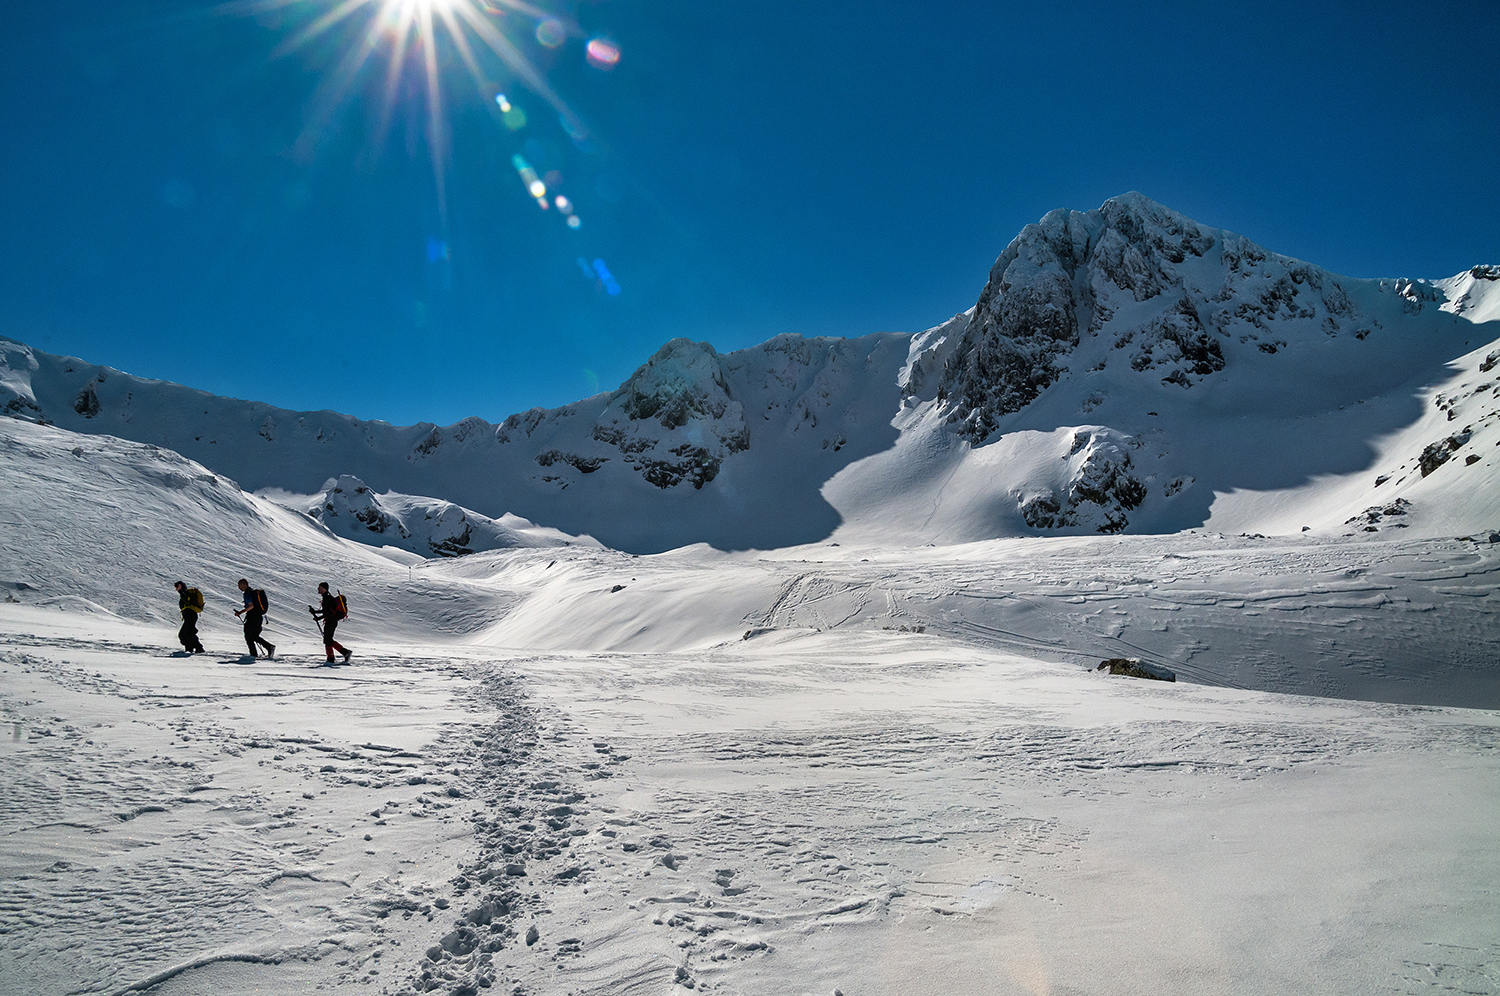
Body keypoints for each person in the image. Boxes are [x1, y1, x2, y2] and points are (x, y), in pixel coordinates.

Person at [309, 582, 352, 664]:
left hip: (331, 621)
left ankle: (344, 653)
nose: (318, 589)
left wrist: (318, 617)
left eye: (320, 588)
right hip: (330, 621)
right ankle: (331, 658)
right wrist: (315, 612)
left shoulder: (327, 598)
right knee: (327, 639)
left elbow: (328, 612)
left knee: (328, 640)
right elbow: (326, 611)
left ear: (324, 589)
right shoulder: (327, 597)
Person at [234, 578, 275, 658]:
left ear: (244, 584)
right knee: (253, 635)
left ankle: (255, 654)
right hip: (258, 616)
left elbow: (251, 606)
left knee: (249, 635)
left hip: (253, 617)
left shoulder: (247, 593)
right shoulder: (252, 592)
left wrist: (240, 612)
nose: (239, 588)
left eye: (240, 586)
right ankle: (267, 648)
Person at [173, 580, 206, 654]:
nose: (176, 589)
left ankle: (198, 648)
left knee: (184, 634)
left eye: (177, 587)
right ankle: (190, 648)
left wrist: (181, 591)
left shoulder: (186, 593)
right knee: (188, 633)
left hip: (190, 615)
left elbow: (187, 601)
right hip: (189, 615)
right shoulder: (185, 593)